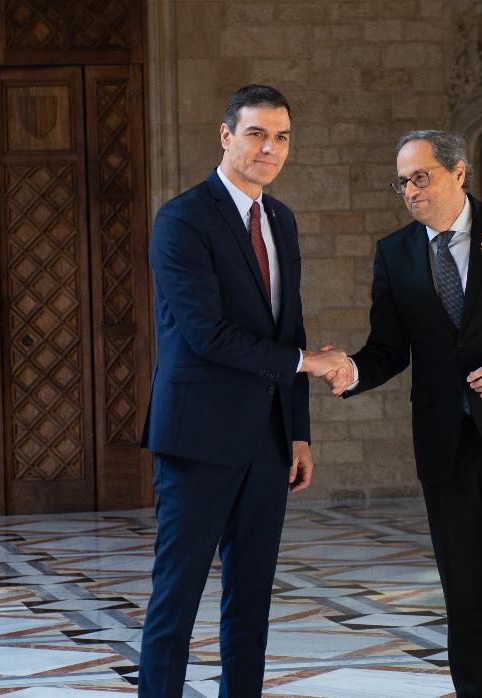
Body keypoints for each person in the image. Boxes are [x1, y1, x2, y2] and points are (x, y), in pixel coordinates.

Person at [317, 130, 482, 697]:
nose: (410, 190)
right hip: (447, 449)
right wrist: (352, 372)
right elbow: (389, 348)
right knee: (463, 597)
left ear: (459, 173)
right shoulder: (395, 252)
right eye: (402, 181)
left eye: (421, 176)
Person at [137, 84, 337, 698]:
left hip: (269, 442)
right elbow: (206, 336)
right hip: (199, 439)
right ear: (226, 137)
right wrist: (310, 363)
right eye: (256, 134)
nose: (269, 148)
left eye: (281, 137)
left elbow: (289, 324)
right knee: (177, 598)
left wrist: (297, 431)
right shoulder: (182, 218)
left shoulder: (281, 218)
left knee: (251, 602)